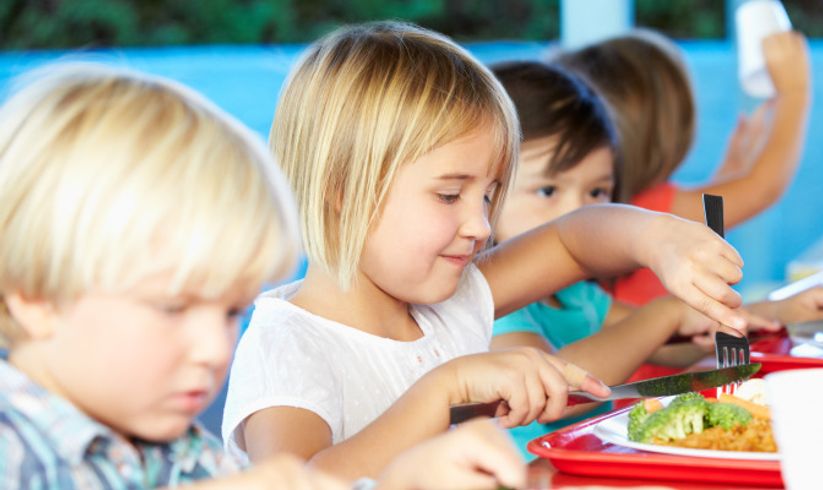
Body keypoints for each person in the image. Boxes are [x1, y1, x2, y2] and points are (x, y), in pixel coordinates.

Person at [223, 21, 747, 481]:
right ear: (341, 189)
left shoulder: (452, 301)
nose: (479, 224)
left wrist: (658, 239)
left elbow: (574, 241)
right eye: (449, 195)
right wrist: (443, 389)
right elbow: (298, 481)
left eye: (490, 195)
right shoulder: (288, 345)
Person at [0, 63, 525, 490]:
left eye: (231, 312)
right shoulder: (14, 449)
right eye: (172, 307)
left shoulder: (181, 450)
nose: (215, 349)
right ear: (35, 297)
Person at [488, 60, 823, 458]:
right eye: (548, 191)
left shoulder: (576, 296)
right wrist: (664, 314)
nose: (578, 211)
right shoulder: (489, 305)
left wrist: (774, 312)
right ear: (486, 189)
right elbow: (563, 389)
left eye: (596, 192)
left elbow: (670, 346)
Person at [557, 28, 812, 305]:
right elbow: (763, 189)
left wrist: (731, 171)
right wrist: (795, 92)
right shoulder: (646, 210)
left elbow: (707, 214)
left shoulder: (614, 209)